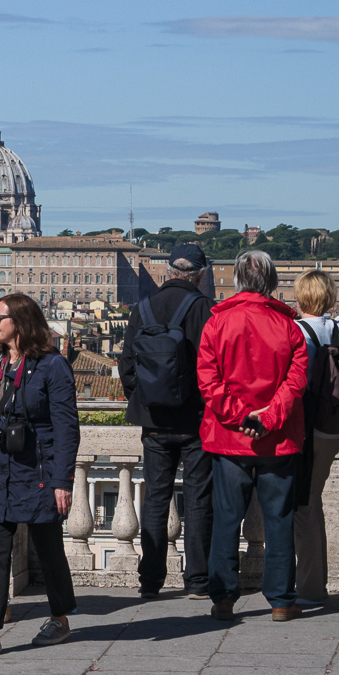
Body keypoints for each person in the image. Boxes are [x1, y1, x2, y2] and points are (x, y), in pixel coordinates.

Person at [0, 294, 79, 655]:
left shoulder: (53, 366)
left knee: (48, 548)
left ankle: (59, 617)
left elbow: (66, 428)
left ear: (20, 322)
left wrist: (62, 481)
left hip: (38, 471)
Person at [197, 250, 306, 623]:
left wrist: (240, 416)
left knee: (226, 520)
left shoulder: (216, 324)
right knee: (279, 519)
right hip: (277, 438)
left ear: (237, 281)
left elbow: (208, 382)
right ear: (272, 282)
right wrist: (268, 417)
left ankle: (223, 598)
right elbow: (295, 382)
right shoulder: (289, 327)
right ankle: (281, 600)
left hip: (229, 438)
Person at [117, 243, 214, 600]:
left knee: (156, 498)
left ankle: (151, 580)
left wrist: (145, 400)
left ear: (169, 271)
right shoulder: (206, 309)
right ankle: (198, 580)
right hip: (196, 420)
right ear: (199, 276)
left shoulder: (142, 308)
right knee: (198, 498)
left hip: (154, 420)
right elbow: (213, 367)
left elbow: (127, 366)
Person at [291, 268, 339, 607]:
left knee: (303, 506)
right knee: (314, 500)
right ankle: (314, 582)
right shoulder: (338, 329)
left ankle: (310, 587)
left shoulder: (297, 330)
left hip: (304, 425)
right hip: (330, 426)